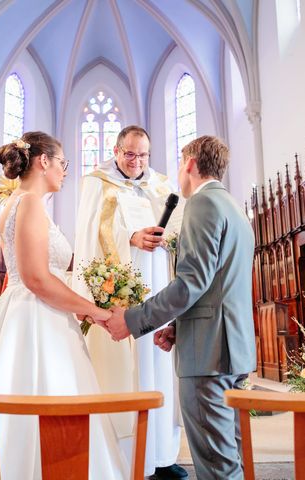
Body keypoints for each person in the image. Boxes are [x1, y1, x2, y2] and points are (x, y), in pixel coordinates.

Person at [0, 132, 127, 479]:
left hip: (32, 312)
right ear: (43, 161)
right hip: (36, 318)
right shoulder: (29, 202)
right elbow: (36, 279)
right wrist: (97, 311)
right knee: (44, 404)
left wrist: (77, 303)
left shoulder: (19, 201)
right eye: (62, 163)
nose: (65, 171)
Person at [105, 135, 257, 480]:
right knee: (229, 455)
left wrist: (132, 319)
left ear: (189, 163)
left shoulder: (202, 205)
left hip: (209, 354)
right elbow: (218, 285)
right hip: (228, 346)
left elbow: (191, 282)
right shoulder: (232, 206)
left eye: (179, 164)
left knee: (217, 464)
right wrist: (178, 327)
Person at [72, 126, 186, 479]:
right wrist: (131, 237)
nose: (137, 162)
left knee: (159, 368)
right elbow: (91, 233)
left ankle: (163, 456)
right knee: (123, 373)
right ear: (116, 151)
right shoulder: (97, 183)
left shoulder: (163, 185)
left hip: (159, 289)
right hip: (120, 291)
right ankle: (125, 458)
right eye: (130, 154)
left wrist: (168, 237)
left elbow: (181, 230)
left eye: (143, 155)